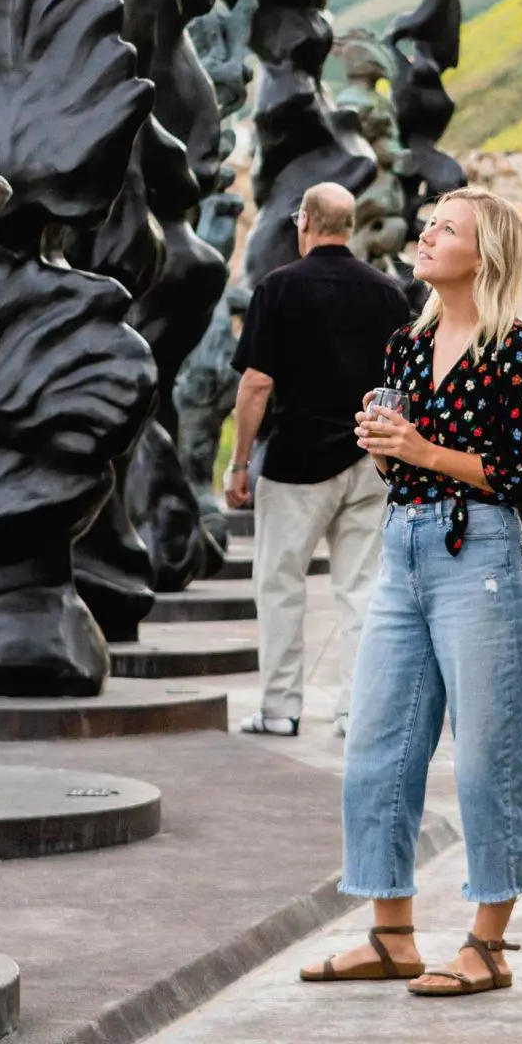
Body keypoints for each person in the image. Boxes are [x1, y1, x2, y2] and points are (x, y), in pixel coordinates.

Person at [301, 188, 522, 996]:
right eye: (429, 224)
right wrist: (385, 450)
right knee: (377, 746)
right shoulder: (407, 343)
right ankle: (391, 935)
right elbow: (402, 464)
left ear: (485, 254)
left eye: (446, 228)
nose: (427, 235)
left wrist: (421, 450)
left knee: (486, 755)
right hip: (404, 542)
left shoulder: (519, 348)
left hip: (480, 552)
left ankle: (488, 944)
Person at [228, 183, 415, 737]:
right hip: (368, 458)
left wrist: (239, 462)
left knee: (280, 585)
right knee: (362, 590)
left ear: (305, 221)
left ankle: (279, 708)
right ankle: (356, 712)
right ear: (350, 226)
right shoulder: (387, 293)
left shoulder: (277, 287)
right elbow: (402, 386)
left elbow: (256, 384)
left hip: (295, 461)